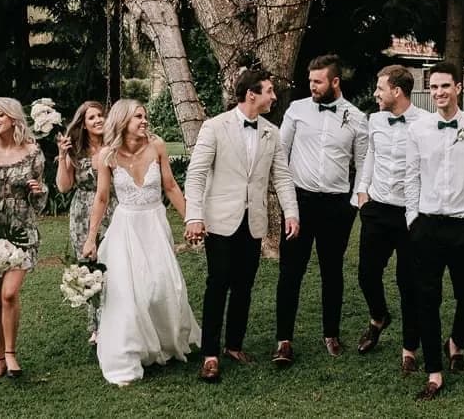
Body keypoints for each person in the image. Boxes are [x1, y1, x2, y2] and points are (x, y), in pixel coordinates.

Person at [183, 68, 300, 383]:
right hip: (219, 220)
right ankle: (210, 354)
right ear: (252, 94)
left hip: (254, 222)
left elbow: (282, 177)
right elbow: (195, 174)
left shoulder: (271, 132)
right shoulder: (214, 127)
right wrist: (194, 215)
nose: (273, 97)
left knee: (244, 286)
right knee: (217, 283)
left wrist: (291, 212)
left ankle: (234, 345)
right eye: (269, 91)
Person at [81, 99, 200, 386]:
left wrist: (190, 220)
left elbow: (170, 186)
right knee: (129, 293)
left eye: (144, 116)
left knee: (162, 285)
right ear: (123, 121)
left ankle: (164, 342)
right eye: (138, 117)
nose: (144, 121)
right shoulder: (107, 156)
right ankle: (128, 353)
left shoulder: (156, 147)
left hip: (155, 225)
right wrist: (91, 238)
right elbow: (101, 198)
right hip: (126, 228)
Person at [404, 61, 464, 401]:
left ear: (458, 87)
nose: (439, 92)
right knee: (427, 300)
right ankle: (434, 372)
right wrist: (412, 220)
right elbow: (411, 176)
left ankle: (457, 342)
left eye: (445, 86)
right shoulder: (418, 130)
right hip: (427, 227)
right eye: (433, 87)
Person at [274, 54, 367, 364]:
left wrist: (354, 202)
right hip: (299, 203)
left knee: (332, 271)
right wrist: (288, 206)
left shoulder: (356, 117)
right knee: (290, 272)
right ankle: (284, 341)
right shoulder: (297, 110)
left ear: (335, 82)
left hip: (337, 206)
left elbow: (364, 164)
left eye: (318, 81)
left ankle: (331, 334)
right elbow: (280, 157)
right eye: (310, 81)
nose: (312, 86)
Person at [354, 65, 430, 374]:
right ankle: (378, 317)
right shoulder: (374, 120)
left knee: (409, 282)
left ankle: (409, 349)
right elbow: (370, 155)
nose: (375, 93)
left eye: (380, 88)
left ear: (396, 91)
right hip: (377, 207)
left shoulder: (427, 123)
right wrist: (361, 191)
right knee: (366, 273)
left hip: (412, 213)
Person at [0, 97, 48, 380]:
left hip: (22, 229)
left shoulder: (32, 152)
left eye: (0, 115)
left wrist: (38, 190)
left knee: (9, 293)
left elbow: (40, 196)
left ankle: (12, 353)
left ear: (14, 118)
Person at [56, 101, 117, 345]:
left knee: (113, 265)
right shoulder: (75, 151)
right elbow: (63, 186)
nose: (98, 120)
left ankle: (116, 320)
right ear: (83, 123)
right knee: (89, 269)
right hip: (82, 211)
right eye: (92, 117)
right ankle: (96, 326)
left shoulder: (115, 146)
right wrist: (62, 156)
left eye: (101, 115)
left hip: (113, 208)